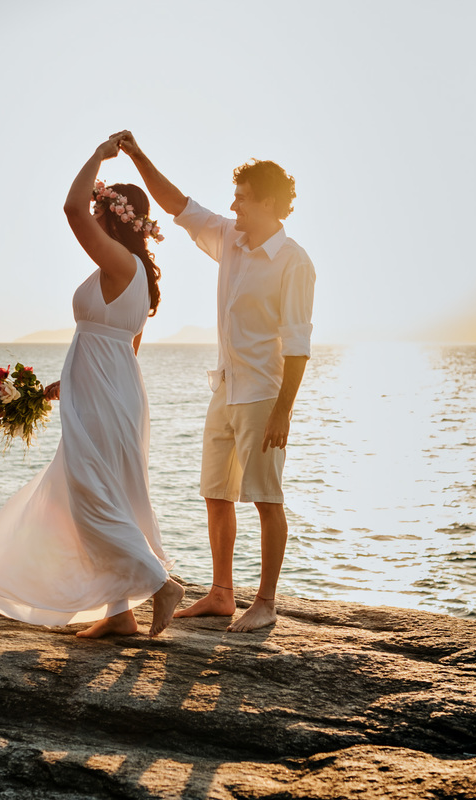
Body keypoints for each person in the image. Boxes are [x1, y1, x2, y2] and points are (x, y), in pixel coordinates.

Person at [0, 134, 184, 638]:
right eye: (96, 210)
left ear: (115, 217)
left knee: (91, 494)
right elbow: (124, 348)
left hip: (104, 396)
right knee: (100, 491)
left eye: (101, 210)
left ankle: (160, 584)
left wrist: (99, 155)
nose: (92, 216)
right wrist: (66, 383)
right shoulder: (131, 271)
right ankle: (119, 612)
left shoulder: (121, 264)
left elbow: (71, 209)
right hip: (108, 392)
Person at [117, 131, 315, 632]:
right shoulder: (229, 238)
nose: (233, 205)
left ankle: (265, 603)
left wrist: (284, 410)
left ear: (268, 203)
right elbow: (178, 205)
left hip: (264, 395)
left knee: (267, 499)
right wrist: (138, 155)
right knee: (216, 492)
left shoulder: (294, 262)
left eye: (242, 198)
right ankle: (222, 594)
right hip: (224, 389)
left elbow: (298, 343)